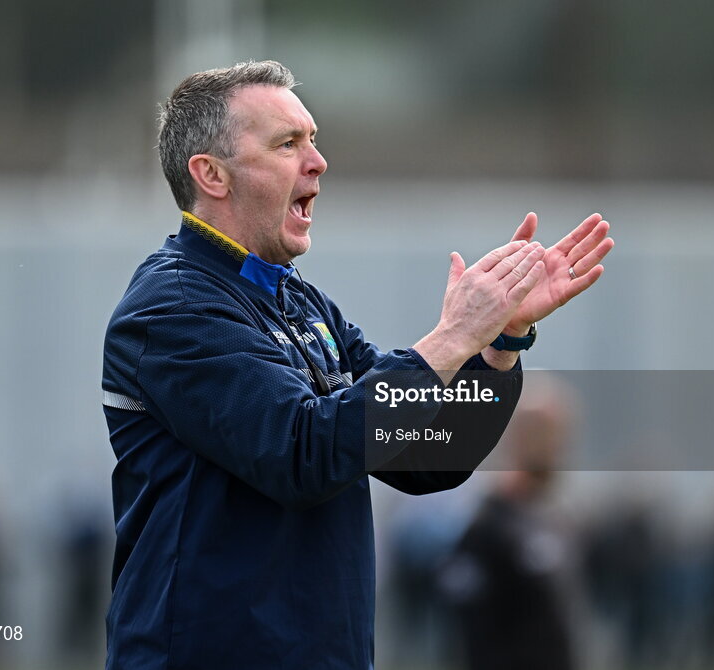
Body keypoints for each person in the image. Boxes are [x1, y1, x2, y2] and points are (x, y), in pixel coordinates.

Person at [101, 60, 613, 669]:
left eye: (313, 140)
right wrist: (450, 337)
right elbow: (303, 452)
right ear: (211, 174)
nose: (317, 161)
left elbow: (426, 454)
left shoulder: (301, 300)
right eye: (288, 143)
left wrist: (500, 342)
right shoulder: (174, 307)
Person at [439, 373, 579, 670]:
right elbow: (471, 631)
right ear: (516, 436)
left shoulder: (558, 519)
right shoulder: (487, 525)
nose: (558, 447)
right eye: (547, 432)